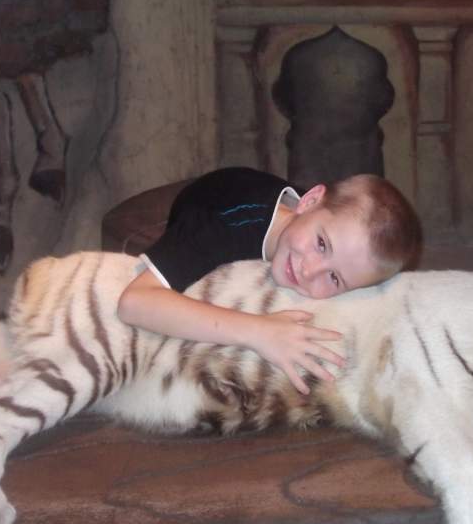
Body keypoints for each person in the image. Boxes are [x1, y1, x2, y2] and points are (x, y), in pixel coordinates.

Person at [117, 166, 423, 393]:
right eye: (322, 244)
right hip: (208, 198)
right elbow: (134, 302)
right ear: (309, 200)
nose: (309, 270)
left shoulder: (318, 222)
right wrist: (258, 332)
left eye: (334, 277)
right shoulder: (221, 229)